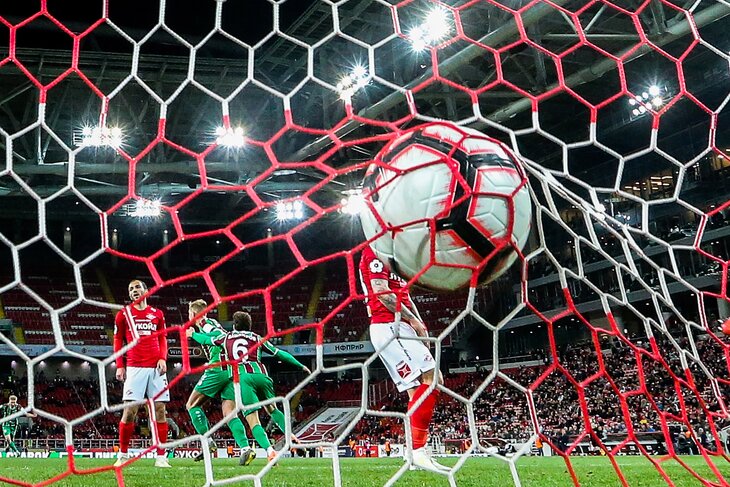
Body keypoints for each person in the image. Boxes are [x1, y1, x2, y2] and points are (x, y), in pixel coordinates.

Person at [358, 245, 448, 473]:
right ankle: (417, 451)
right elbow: (381, 291)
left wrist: (419, 323)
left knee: (415, 391)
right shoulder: (374, 251)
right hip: (389, 326)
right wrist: (413, 321)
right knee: (433, 379)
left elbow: (404, 296)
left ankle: (414, 454)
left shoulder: (393, 254)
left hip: (398, 325)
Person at [187, 309, 310, 463]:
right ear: (250, 326)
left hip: (242, 378)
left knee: (253, 419)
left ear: (234, 325)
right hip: (262, 375)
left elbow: (207, 340)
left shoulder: (227, 337)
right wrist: (300, 366)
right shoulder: (257, 337)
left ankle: (269, 451)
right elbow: (279, 353)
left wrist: (193, 335)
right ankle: (290, 435)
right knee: (272, 409)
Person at [185, 299, 256, 466]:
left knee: (191, 405)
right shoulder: (211, 323)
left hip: (218, 367)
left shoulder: (205, 324)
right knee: (229, 412)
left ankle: (208, 442)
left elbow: (219, 336)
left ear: (194, 314)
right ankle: (245, 448)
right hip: (231, 369)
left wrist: (193, 335)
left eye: (189, 313)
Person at [112, 279, 171, 468]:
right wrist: (119, 365)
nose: (134, 291)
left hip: (156, 368)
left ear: (146, 290)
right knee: (130, 411)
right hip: (134, 367)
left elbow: (162, 338)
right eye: (131, 289)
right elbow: (117, 340)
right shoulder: (123, 314)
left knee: (159, 410)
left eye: (137, 287)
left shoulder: (157, 314)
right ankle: (123, 455)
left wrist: (163, 358)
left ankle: (161, 457)